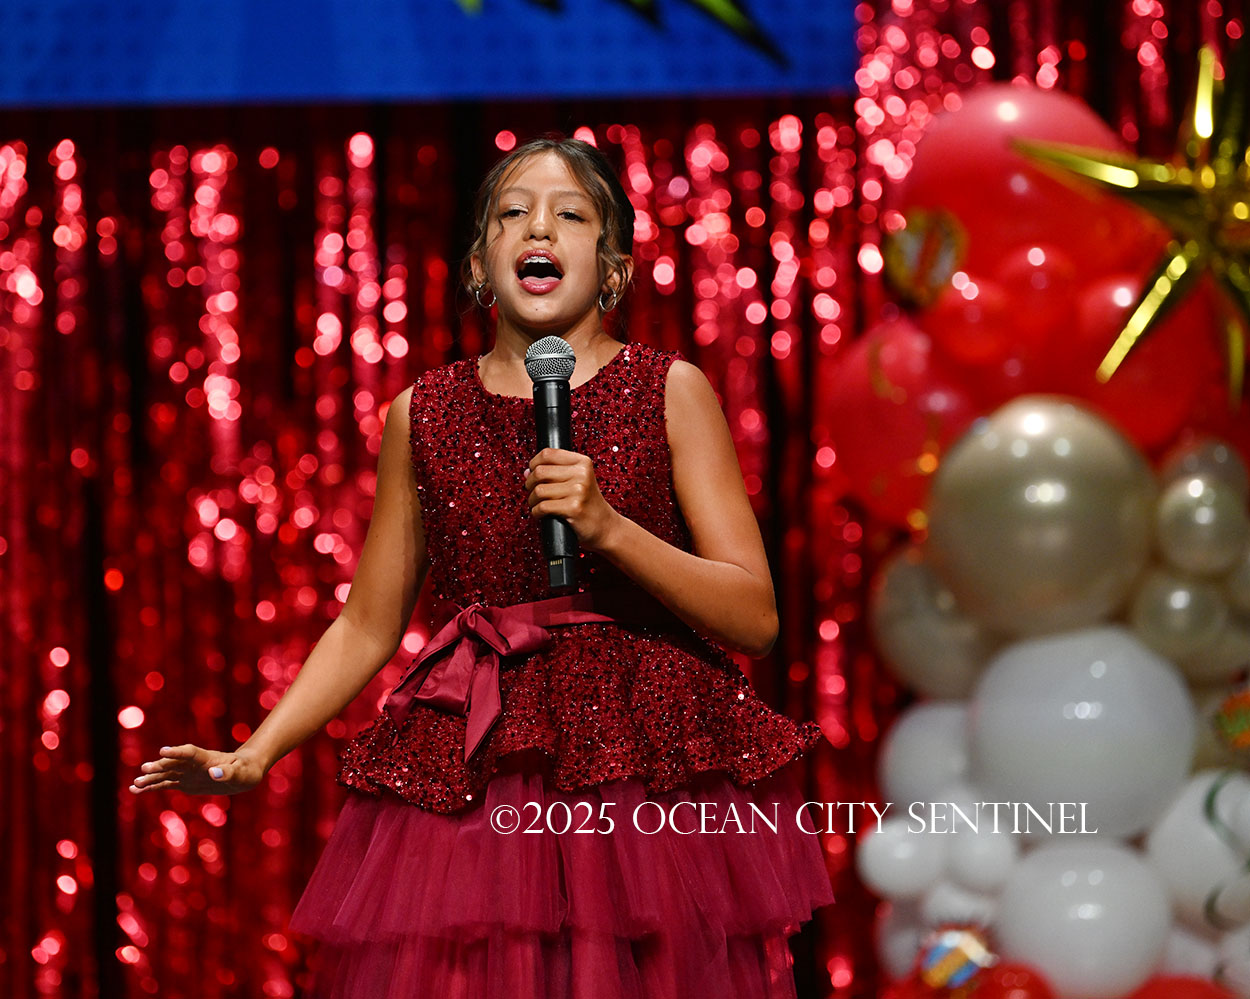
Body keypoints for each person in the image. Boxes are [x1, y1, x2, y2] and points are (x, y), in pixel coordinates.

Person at [130, 134, 834, 997]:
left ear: (612, 266)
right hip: (481, 758)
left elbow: (754, 616)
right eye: (513, 214)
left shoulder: (668, 389)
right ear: (478, 263)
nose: (539, 228)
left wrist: (609, 529)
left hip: (639, 761)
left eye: (571, 214)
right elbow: (366, 623)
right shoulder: (423, 411)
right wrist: (257, 752)